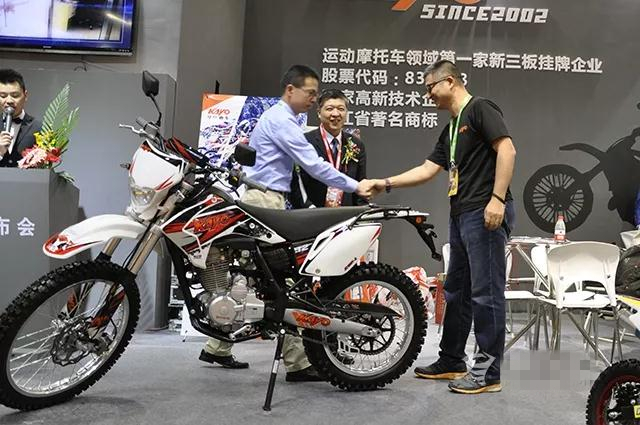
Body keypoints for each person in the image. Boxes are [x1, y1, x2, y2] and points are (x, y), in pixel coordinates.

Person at [199, 65, 375, 382]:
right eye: (311, 94)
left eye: (320, 96)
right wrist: (356, 186)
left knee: (252, 278)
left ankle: (218, 346)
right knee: (285, 283)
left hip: (265, 199)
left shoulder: (285, 120)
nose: (314, 99)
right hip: (267, 201)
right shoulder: (283, 121)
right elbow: (313, 166)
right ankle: (297, 363)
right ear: (291, 90)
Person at [370, 60, 516, 394]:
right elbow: (427, 169)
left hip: (485, 210)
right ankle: (452, 360)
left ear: (449, 81)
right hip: (462, 213)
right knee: (457, 290)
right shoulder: (451, 128)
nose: (428, 95)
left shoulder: (480, 109)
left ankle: (489, 373)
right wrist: (385, 183)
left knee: (486, 293)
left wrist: (497, 198)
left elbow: (507, 150)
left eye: (430, 87)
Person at [290, 88, 367, 208]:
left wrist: (359, 214)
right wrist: (310, 210)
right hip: (312, 213)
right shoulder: (304, 142)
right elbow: (294, 184)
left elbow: (361, 184)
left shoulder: (356, 144)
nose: (335, 114)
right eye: (330, 109)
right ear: (319, 112)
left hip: (347, 215)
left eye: (341, 109)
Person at [0, 69, 42, 168]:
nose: (9, 101)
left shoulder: (39, 128)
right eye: (3, 96)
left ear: (25, 95)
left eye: (15, 95)